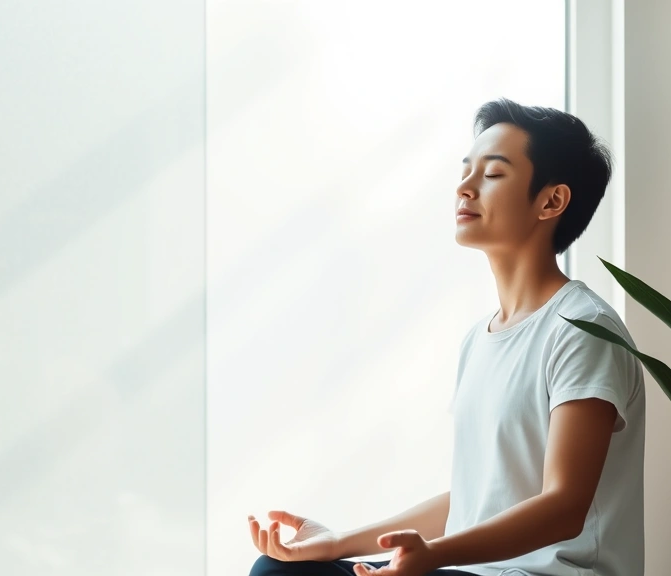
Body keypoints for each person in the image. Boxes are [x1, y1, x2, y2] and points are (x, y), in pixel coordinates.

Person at [246, 98, 646, 576]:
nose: (464, 187)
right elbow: (475, 497)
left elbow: (564, 505)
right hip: (467, 571)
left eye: (493, 175)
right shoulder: (480, 339)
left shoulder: (584, 330)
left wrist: (436, 557)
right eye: (466, 170)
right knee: (280, 571)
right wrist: (337, 543)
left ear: (551, 200)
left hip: (545, 574)